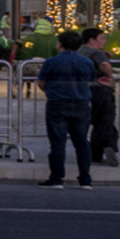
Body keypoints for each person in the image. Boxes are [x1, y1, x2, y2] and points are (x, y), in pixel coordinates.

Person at [37, 28, 96, 186]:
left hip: (57, 103)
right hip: (81, 103)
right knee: (82, 142)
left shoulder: (51, 62)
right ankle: (85, 178)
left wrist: (51, 91)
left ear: (60, 44)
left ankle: (57, 178)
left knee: (57, 143)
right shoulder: (87, 62)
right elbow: (91, 81)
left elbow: (41, 83)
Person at [81, 26, 119, 167]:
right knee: (106, 120)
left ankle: (97, 153)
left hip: (85, 90)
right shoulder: (96, 52)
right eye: (101, 38)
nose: (104, 41)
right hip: (101, 89)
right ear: (92, 40)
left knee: (99, 122)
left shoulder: (81, 51)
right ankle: (108, 145)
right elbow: (103, 64)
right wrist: (110, 74)